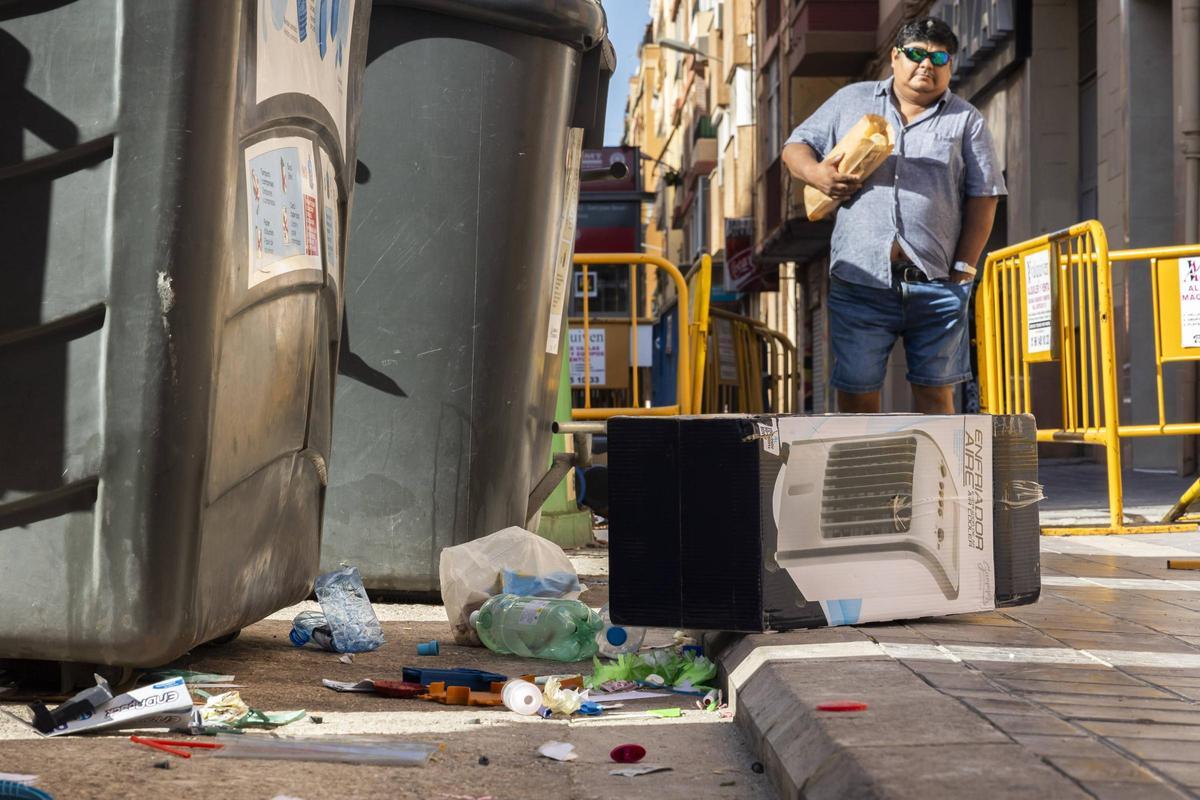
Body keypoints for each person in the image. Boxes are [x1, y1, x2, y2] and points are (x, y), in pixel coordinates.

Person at [782, 16, 1005, 414]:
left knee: (937, 394)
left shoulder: (966, 120)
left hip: (937, 285)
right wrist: (816, 174)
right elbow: (796, 146)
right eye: (917, 53)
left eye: (939, 56)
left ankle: (938, 478)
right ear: (894, 57)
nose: (927, 64)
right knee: (857, 393)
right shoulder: (852, 101)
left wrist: (965, 269)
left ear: (950, 65)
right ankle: (869, 477)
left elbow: (984, 196)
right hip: (860, 281)